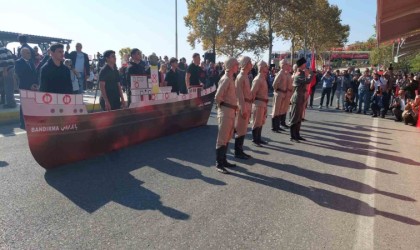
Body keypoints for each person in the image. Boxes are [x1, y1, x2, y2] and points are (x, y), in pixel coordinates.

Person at [214, 57, 239, 174]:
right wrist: (224, 108)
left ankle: (224, 160)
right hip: (225, 112)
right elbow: (218, 97)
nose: (238, 66)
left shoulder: (230, 78)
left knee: (228, 136)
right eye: (236, 65)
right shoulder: (226, 79)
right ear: (231, 66)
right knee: (222, 138)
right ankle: (219, 163)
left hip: (230, 111)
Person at [289, 57, 315, 142]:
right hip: (297, 97)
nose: (306, 65)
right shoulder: (298, 74)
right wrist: (311, 74)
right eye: (304, 64)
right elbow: (307, 81)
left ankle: (297, 134)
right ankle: (293, 136)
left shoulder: (302, 73)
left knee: (299, 117)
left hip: (301, 97)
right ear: (301, 65)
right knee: (295, 117)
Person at [234, 56, 253, 158]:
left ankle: (240, 150)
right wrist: (243, 108)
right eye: (250, 62)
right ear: (246, 63)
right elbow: (239, 95)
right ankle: (238, 152)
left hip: (247, 104)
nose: (251, 64)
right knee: (240, 129)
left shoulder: (245, 75)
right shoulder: (241, 77)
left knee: (244, 129)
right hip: (243, 105)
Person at [251, 61, 269, 147]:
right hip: (258, 103)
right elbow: (253, 93)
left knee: (261, 121)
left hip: (263, 103)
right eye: (265, 66)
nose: (267, 68)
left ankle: (258, 138)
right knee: (257, 122)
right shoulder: (257, 79)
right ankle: (255, 139)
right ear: (261, 68)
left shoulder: (263, 78)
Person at [271, 59, 289, 132]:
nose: (287, 66)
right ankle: (274, 127)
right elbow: (274, 84)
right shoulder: (280, 73)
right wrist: (277, 90)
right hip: (279, 93)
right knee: (276, 110)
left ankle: (277, 126)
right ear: (282, 65)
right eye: (285, 64)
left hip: (283, 93)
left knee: (280, 110)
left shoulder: (284, 73)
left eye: (286, 64)